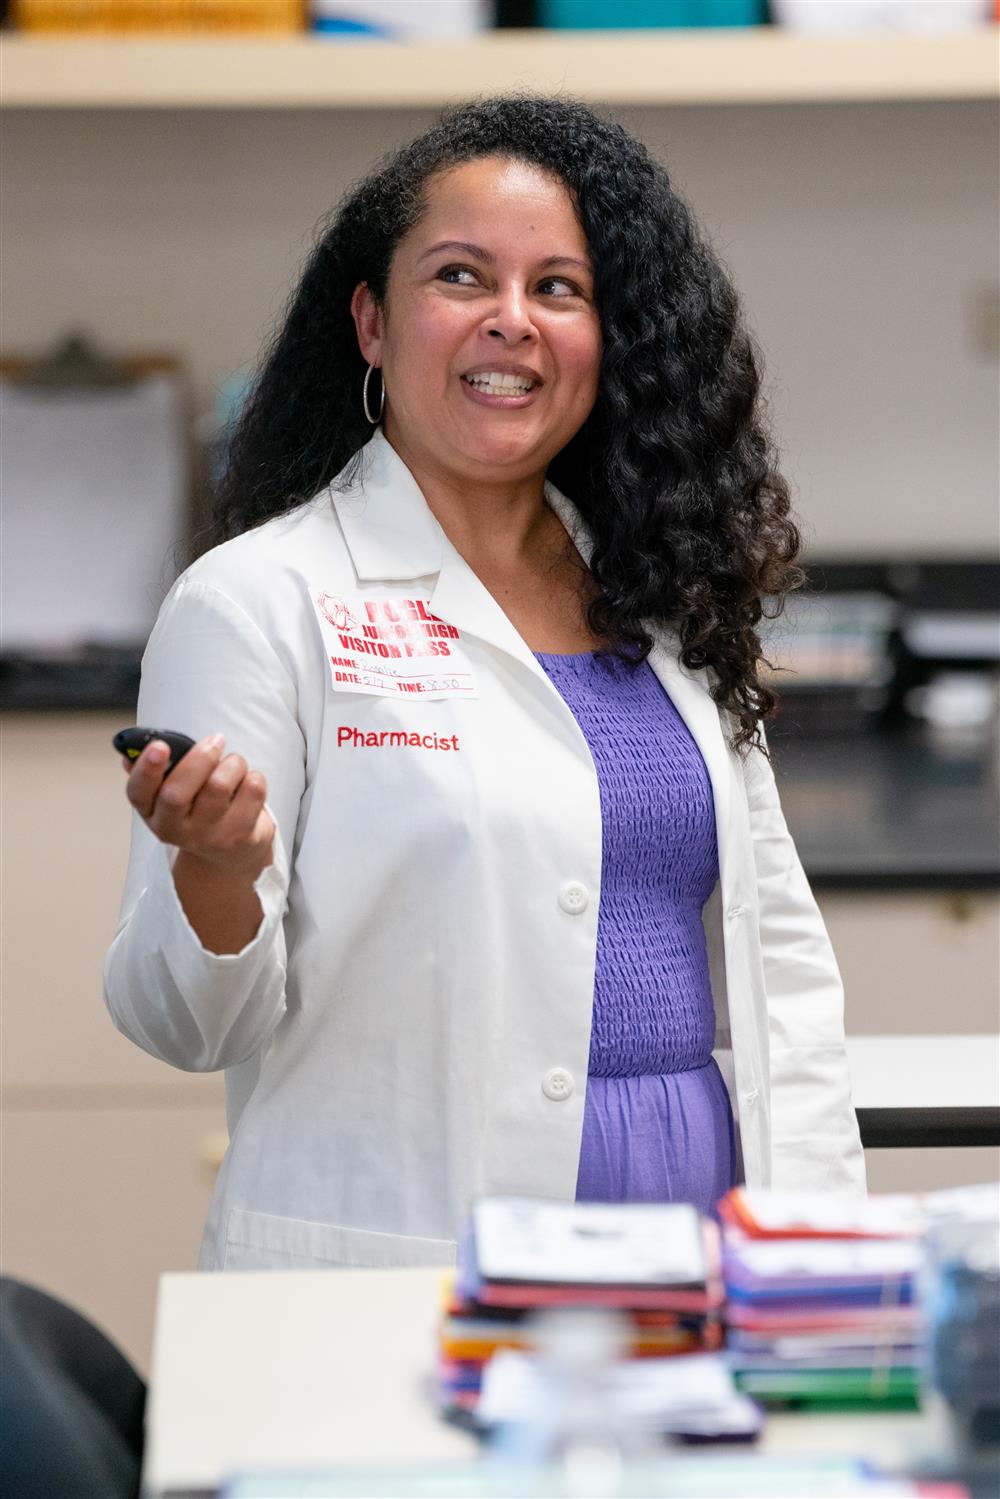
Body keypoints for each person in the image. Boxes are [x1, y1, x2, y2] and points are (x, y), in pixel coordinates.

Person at [104, 95, 865, 1273]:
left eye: (558, 288)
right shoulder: (257, 600)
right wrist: (216, 864)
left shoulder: (664, 592)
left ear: (607, 338)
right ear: (369, 321)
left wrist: (821, 1253)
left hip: (699, 1220)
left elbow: (784, 970)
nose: (512, 321)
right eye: (461, 277)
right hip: (418, 1243)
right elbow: (183, 1022)